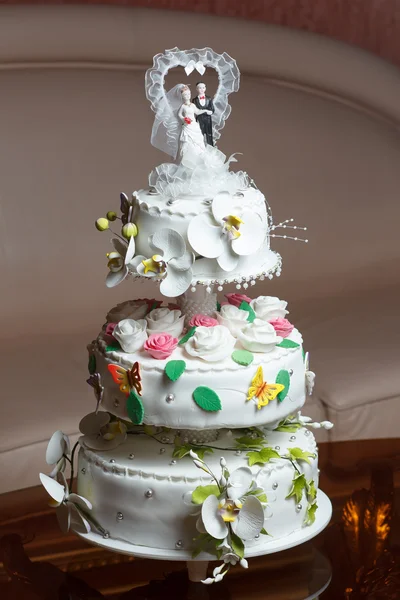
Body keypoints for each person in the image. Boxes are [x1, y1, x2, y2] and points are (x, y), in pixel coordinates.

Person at [177, 86, 212, 165]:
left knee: (198, 141)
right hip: (187, 126)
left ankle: (199, 159)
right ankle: (189, 160)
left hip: (194, 126)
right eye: (185, 95)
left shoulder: (192, 105)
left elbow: (197, 111)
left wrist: (205, 110)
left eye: (189, 94)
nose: (188, 96)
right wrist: (184, 119)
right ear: (182, 97)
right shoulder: (183, 106)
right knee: (188, 142)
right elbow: (179, 114)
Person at [192, 82, 215, 146]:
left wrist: (210, 112)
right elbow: (193, 111)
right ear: (196, 89)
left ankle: (210, 148)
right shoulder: (194, 100)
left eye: (203, 87)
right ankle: (200, 148)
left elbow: (212, 109)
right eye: (200, 88)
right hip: (199, 119)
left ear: (205, 88)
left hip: (207, 119)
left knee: (209, 134)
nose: (202, 89)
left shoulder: (209, 98)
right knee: (199, 134)